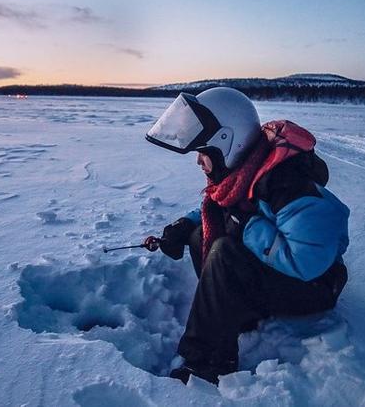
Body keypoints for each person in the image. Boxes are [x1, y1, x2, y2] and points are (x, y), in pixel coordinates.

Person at [144, 87, 349, 385]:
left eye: (203, 153)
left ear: (228, 143)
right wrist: (184, 225)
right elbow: (222, 208)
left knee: (225, 254)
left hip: (316, 285)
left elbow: (308, 262)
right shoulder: (246, 169)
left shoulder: (286, 185)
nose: (199, 162)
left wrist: (246, 225)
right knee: (201, 234)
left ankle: (209, 363)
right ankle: (234, 314)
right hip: (285, 276)